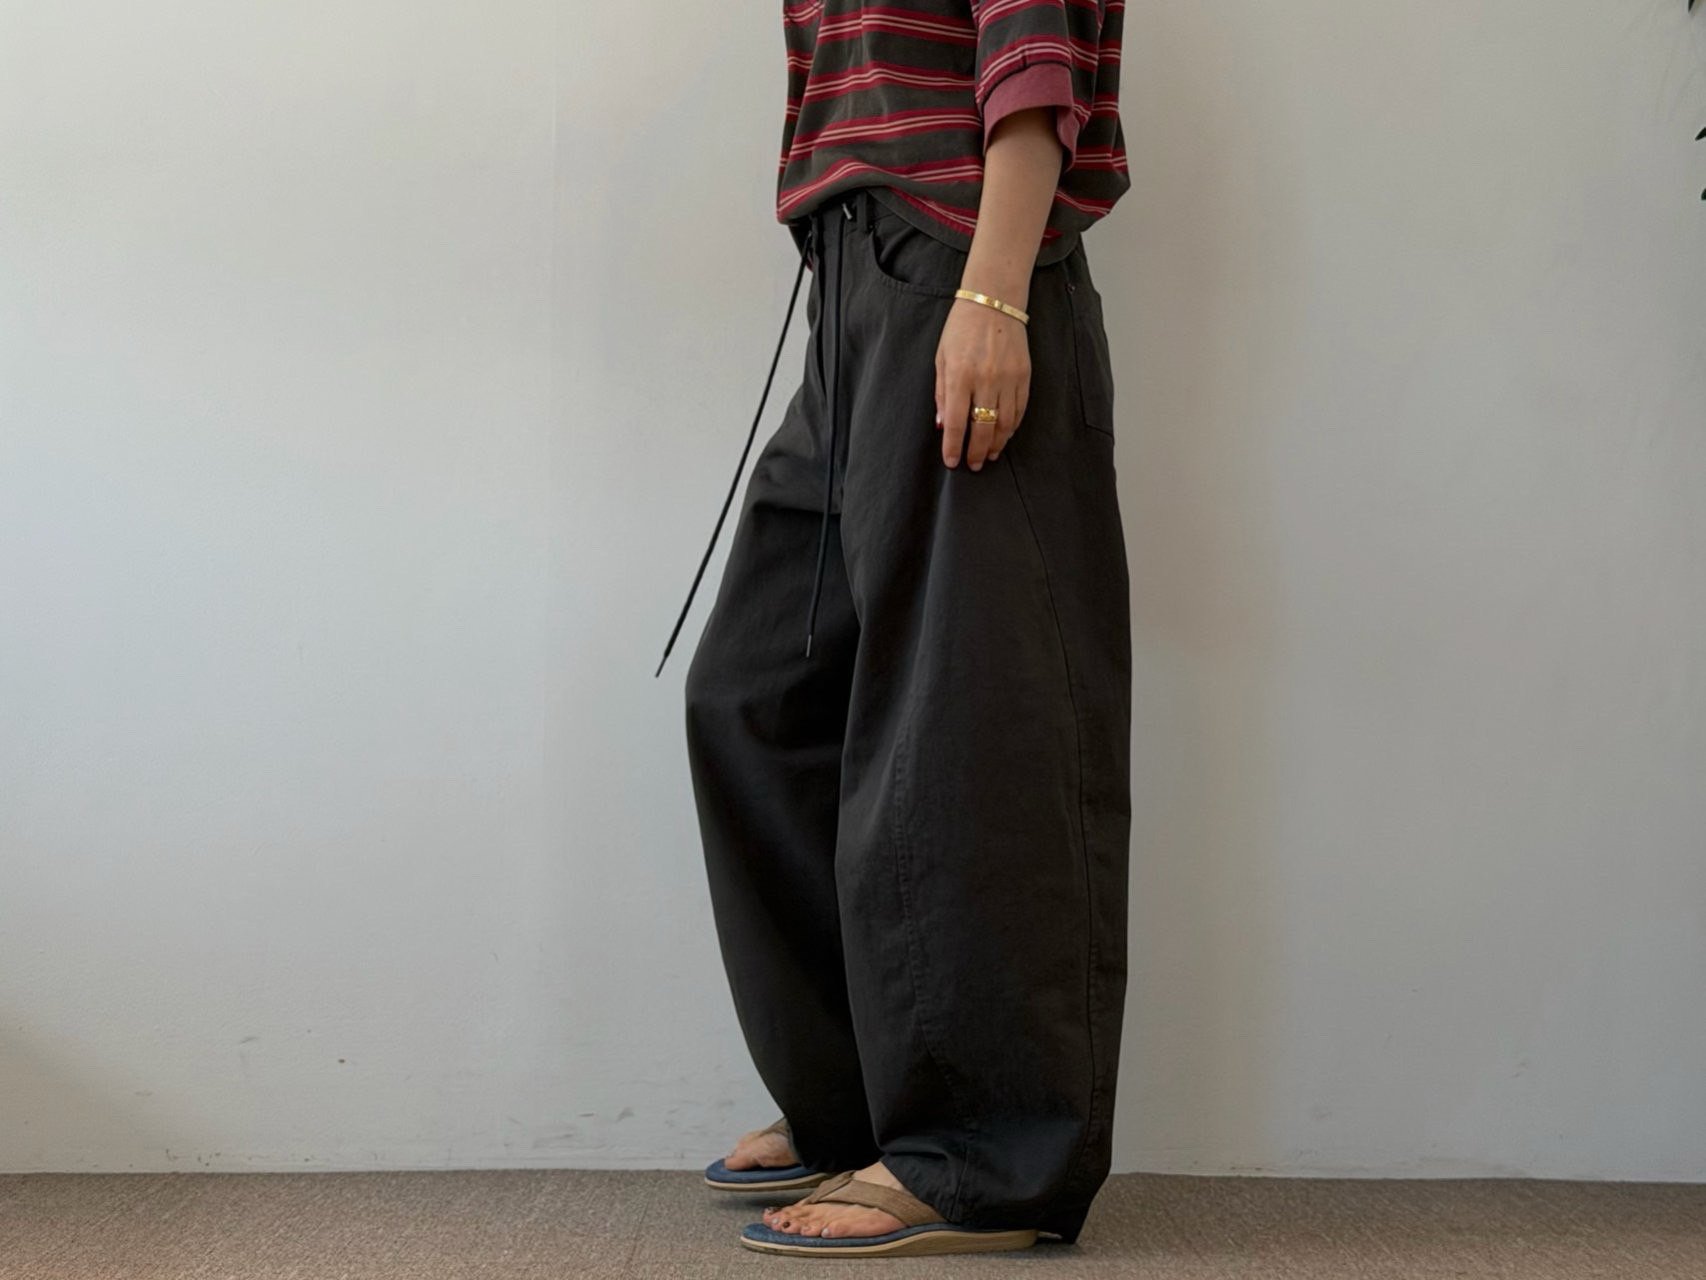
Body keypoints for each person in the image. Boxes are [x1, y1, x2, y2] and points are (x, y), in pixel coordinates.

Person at [656, 0, 1133, 1259]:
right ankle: (858, 1105)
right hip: (852, 289)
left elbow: (1035, 58)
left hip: (956, 266)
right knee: (755, 699)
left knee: (959, 726)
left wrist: (994, 291)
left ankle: (980, 1157)